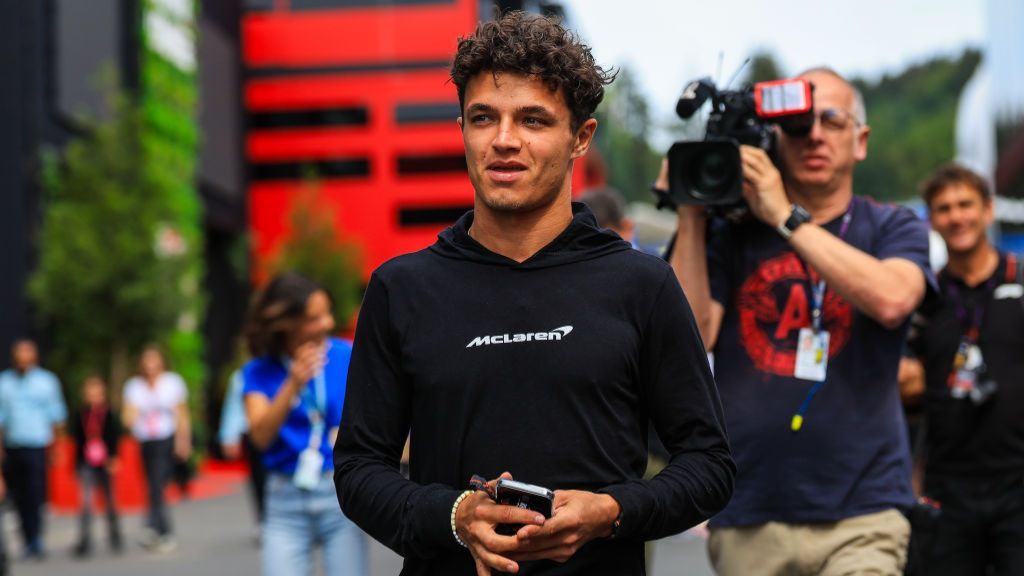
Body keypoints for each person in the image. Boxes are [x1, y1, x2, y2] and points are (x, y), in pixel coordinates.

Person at [334, 12, 734, 576]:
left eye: (533, 120)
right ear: (463, 128)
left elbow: (710, 465)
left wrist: (612, 510)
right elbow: (357, 469)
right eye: (483, 118)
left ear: (579, 138)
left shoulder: (640, 284)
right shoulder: (401, 288)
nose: (504, 140)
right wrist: (453, 516)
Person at [667, 67, 933, 575]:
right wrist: (692, 213)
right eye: (797, 125)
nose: (813, 135)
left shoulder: (891, 226)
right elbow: (693, 335)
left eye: (831, 121)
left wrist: (785, 216)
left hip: (864, 510)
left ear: (861, 140)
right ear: (773, 138)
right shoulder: (732, 234)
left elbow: (894, 299)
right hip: (750, 512)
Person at [902, 164, 1024, 575]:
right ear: (931, 219)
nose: (957, 217)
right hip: (947, 486)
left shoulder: (1020, 281)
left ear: (988, 210)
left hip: (1019, 482)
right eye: (944, 208)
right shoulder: (923, 298)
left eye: (965, 205)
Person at [242, 273, 367, 576]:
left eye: (327, 313)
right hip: (284, 499)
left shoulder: (345, 355)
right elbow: (260, 437)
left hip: (339, 492)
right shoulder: (259, 370)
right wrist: (293, 383)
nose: (326, 323)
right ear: (287, 322)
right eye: (314, 317)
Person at [0, 338, 68, 559]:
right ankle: (27, 538)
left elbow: (56, 416)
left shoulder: (46, 382)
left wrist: (58, 445)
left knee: (36, 492)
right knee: (17, 496)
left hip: (37, 444)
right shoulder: (5, 383)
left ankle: (37, 537)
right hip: (13, 445)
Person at [122, 345, 191, 552]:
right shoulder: (134, 386)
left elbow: (182, 414)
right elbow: (128, 419)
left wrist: (183, 441)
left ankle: (153, 527)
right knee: (153, 485)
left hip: (165, 438)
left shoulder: (172, 382)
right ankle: (163, 531)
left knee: (157, 482)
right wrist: (134, 412)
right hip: (146, 440)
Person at [71, 375, 122, 557]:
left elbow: (114, 437)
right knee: (86, 501)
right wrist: (76, 465)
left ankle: (115, 535)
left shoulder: (108, 413)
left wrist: (114, 457)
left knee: (109, 500)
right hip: (86, 462)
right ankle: (85, 539)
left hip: (105, 461)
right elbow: (77, 441)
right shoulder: (81, 414)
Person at [219, 366, 267, 535]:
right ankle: (263, 518)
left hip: (284, 433)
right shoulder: (244, 374)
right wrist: (229, 436)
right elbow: (233, 407)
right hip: (252, 433)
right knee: (258, 478)